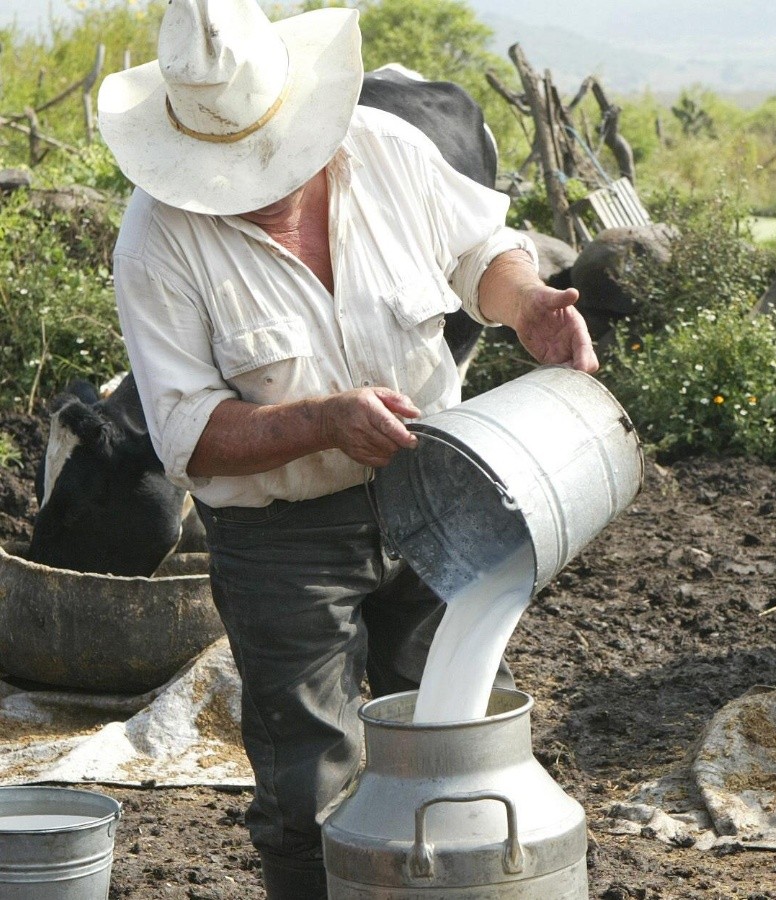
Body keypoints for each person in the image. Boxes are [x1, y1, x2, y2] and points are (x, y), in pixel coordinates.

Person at [97, 1, 596, 897]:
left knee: (459, 737)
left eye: (274, 151)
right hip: (283, 540)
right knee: (308, 782)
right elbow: (189, 436)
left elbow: (481, 248)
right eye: (233, 168)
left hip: (439, 488)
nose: (262, 178)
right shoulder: (158, 240)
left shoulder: (387, 148)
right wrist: (325, 421)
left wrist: (524, 302)